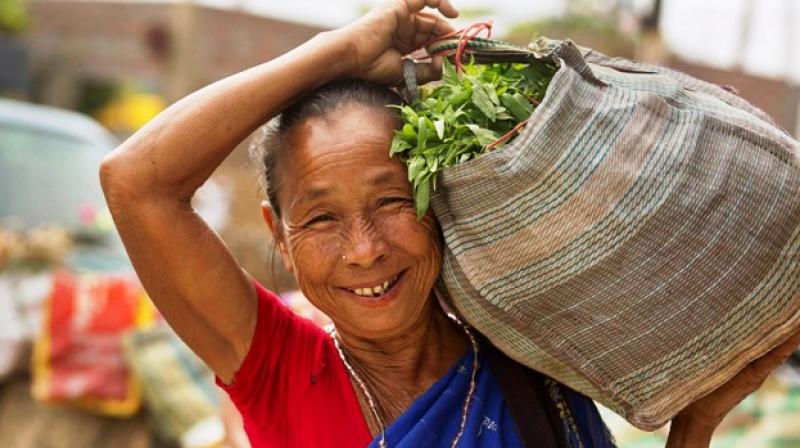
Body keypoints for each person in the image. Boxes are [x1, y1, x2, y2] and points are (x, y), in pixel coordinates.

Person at [99, 1, 800, 447]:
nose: (364, 250)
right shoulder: (279, 370)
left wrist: (695, 426)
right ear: (276, 233)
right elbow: (135, 181)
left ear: (436, 197)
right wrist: (341, 51)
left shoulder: (530, 353)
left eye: (391, 201)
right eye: (320, 218)